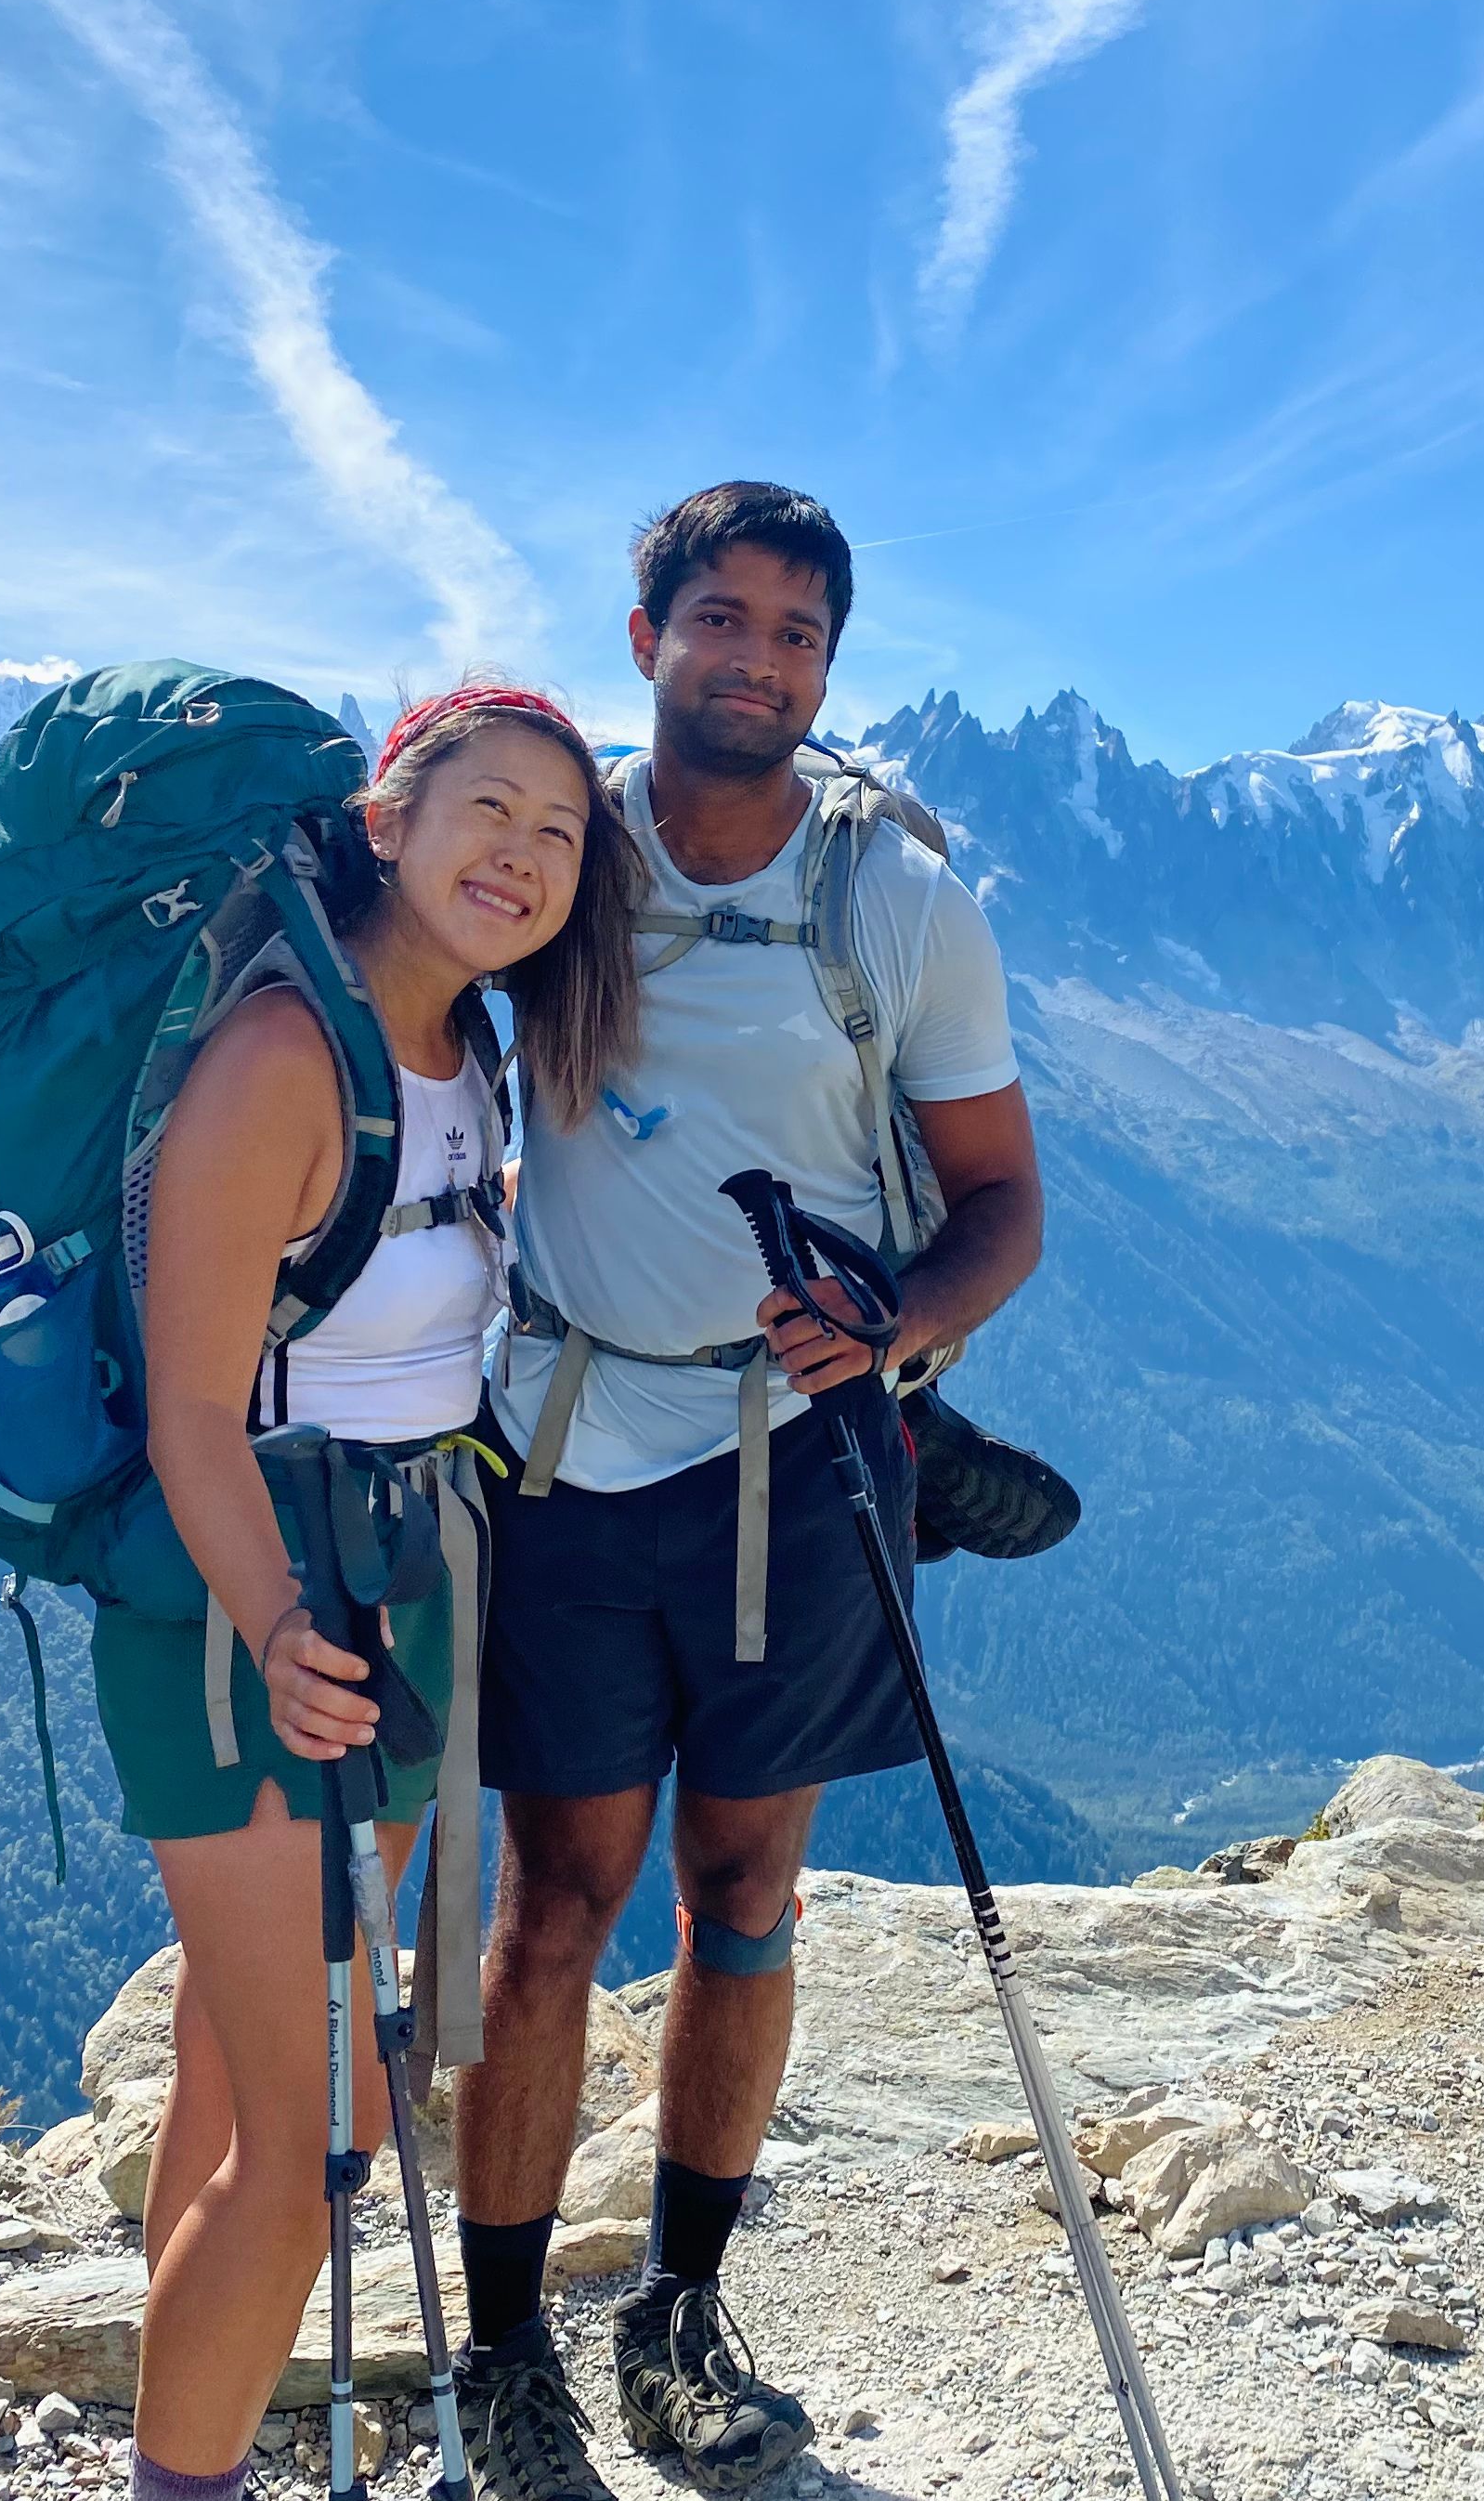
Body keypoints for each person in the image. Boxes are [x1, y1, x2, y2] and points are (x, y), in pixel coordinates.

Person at [447, 485, 1045, 2498]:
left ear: (827, 664)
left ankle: (678, 2316)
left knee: (741, 1893)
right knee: (556, 1911)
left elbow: (1002, 1211)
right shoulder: (555, 858)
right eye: (724, 617)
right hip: (565, 1453)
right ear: (645, 639)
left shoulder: (897, 900)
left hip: (799, 1468)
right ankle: (508, 2351)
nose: (759, 658)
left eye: (798, 630)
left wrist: (890, 1341)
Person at [113, 685, 644, 2501]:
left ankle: (190, 2427)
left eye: (561, 833)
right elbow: (192, 1409)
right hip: (248, 1616)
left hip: (396, 1590)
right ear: (389, 816)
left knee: (240, 2075)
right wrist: (275, 1630)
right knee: (323, 2138)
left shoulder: (463, 1055)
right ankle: (181, 2482)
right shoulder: (286, 1061)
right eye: (486, 809)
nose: (521, 854)